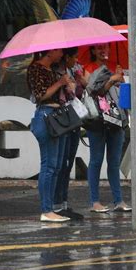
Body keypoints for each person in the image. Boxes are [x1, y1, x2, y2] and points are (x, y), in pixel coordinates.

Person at [27, 49, 75, 222]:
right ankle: (46, 209)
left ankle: (52, 207)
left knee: (57, 165)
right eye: (59, 50)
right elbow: (40, 95)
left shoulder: (55, 70)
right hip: (46, 116)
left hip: (59, 115)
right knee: (48, 165)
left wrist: (68, 84)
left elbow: (66, 94)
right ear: (49, 51)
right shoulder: (35, 69)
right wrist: (59, 83)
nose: (62, 53)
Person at [83, 44, 132, 213]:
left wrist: (121, 79)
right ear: (93, 50)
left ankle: (118, 200)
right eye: (99, 48)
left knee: (114, 162)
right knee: (96, 160)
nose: (103, 51)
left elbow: (124, 95)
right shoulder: (88, 69)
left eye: (106, 48)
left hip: (116, 120)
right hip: (97, 120)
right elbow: (92, 93)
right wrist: (111, 80)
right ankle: (94, 201)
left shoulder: (115, 67)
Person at [52, 47, 85, 220]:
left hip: (73, 120)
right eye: (74, 57)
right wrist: (67, 86)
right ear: (67, 57)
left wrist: (78, 82)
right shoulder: (56, 72)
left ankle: (64, 201)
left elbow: (79, 93)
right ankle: (56, 203)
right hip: (62, 120)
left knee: (69, 161)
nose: (76, 60)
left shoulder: (72, 71)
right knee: (60, 162)